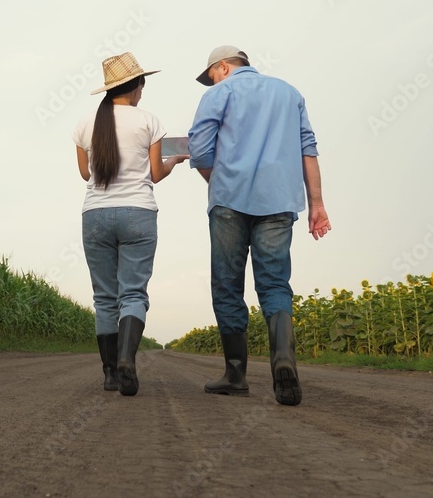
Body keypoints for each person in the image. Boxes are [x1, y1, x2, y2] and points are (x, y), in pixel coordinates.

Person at [187, 45, 331, 406]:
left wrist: (218, 182)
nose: (212, 81)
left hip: (229, 202)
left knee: (227, 284)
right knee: (274, 283)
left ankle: (235, 375)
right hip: (280, 201)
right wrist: (317, 204)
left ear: (223, 67)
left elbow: (200, 150)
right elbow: (308, 149)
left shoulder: (219, 93)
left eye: (212, 75)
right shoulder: (290, 92)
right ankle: (283, 359)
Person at [73, 52, 187, 396]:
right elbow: (154, 173)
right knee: (133, 293)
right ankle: (127, 360)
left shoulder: (85, 123)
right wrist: (175, 161)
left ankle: (110, 374)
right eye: (142, 83)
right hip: (138, 212)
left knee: (104, 298)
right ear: (135, 85)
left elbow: (85, 174)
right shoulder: (149, 121)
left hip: (95, 215)